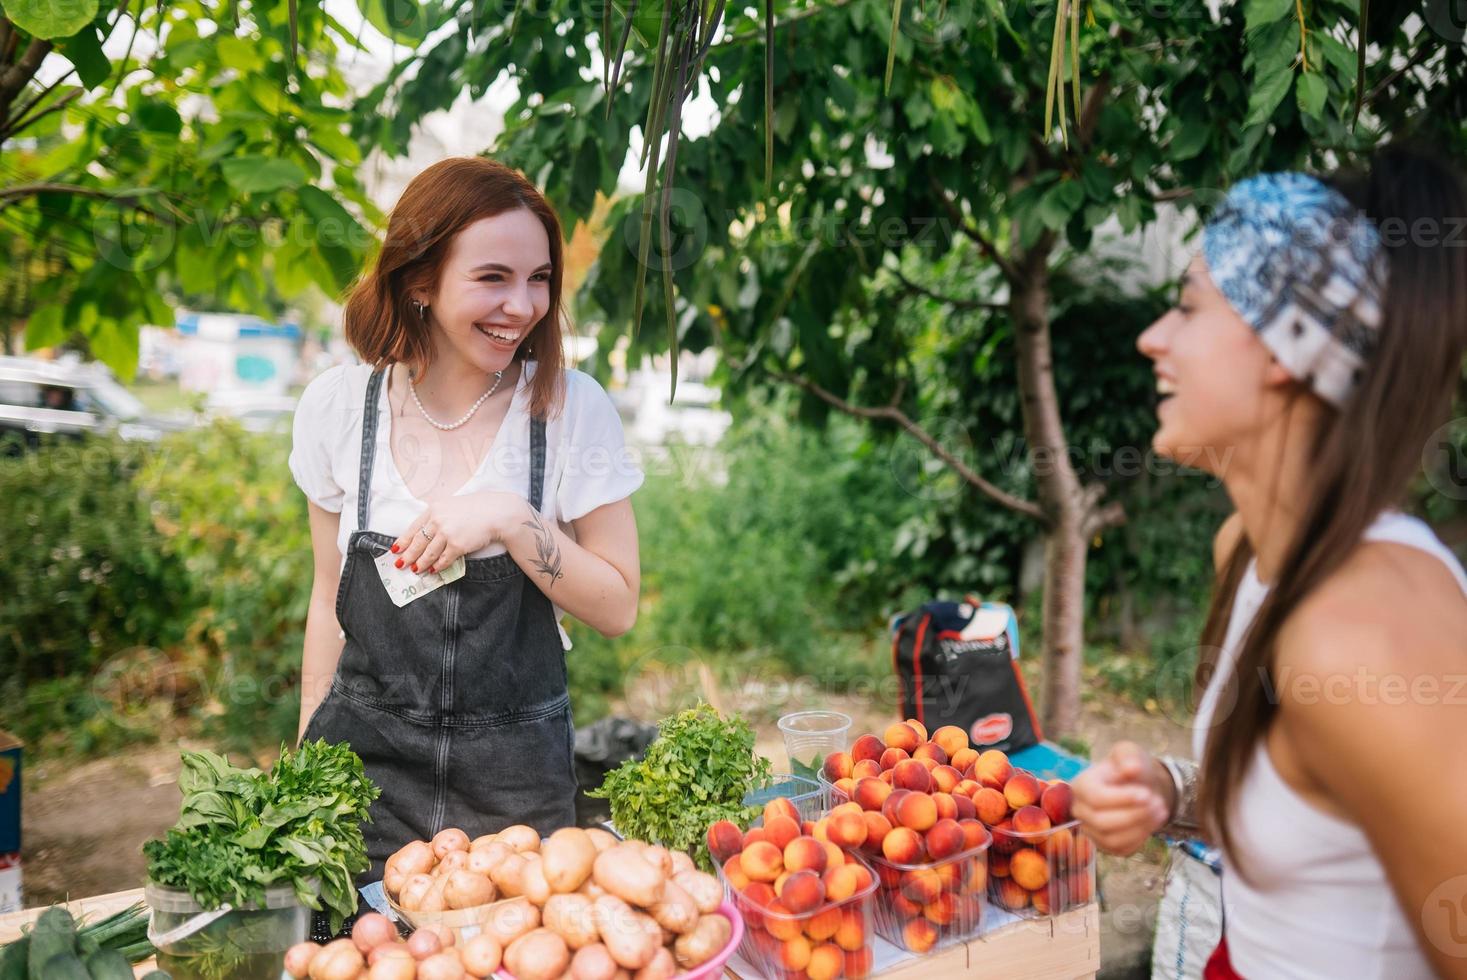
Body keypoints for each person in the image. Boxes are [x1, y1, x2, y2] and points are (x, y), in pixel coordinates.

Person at [1072, 146, 1467, 979]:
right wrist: (1172, 795)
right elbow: (1307, 813)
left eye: (1187, 307)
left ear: (1284, 346)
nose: (1151, 339)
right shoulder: (1247, 555)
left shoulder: (1363, 635)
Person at [288, 157, 643, 881]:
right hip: (362, 780)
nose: (523, 305)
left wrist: (512, 519)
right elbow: (328, 602)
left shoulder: (571, 410)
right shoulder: (337, 409)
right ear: (419, 279)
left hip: (516, 792)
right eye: (493, 278)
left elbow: (618, 605)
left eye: (539, 278)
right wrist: (303, 776)